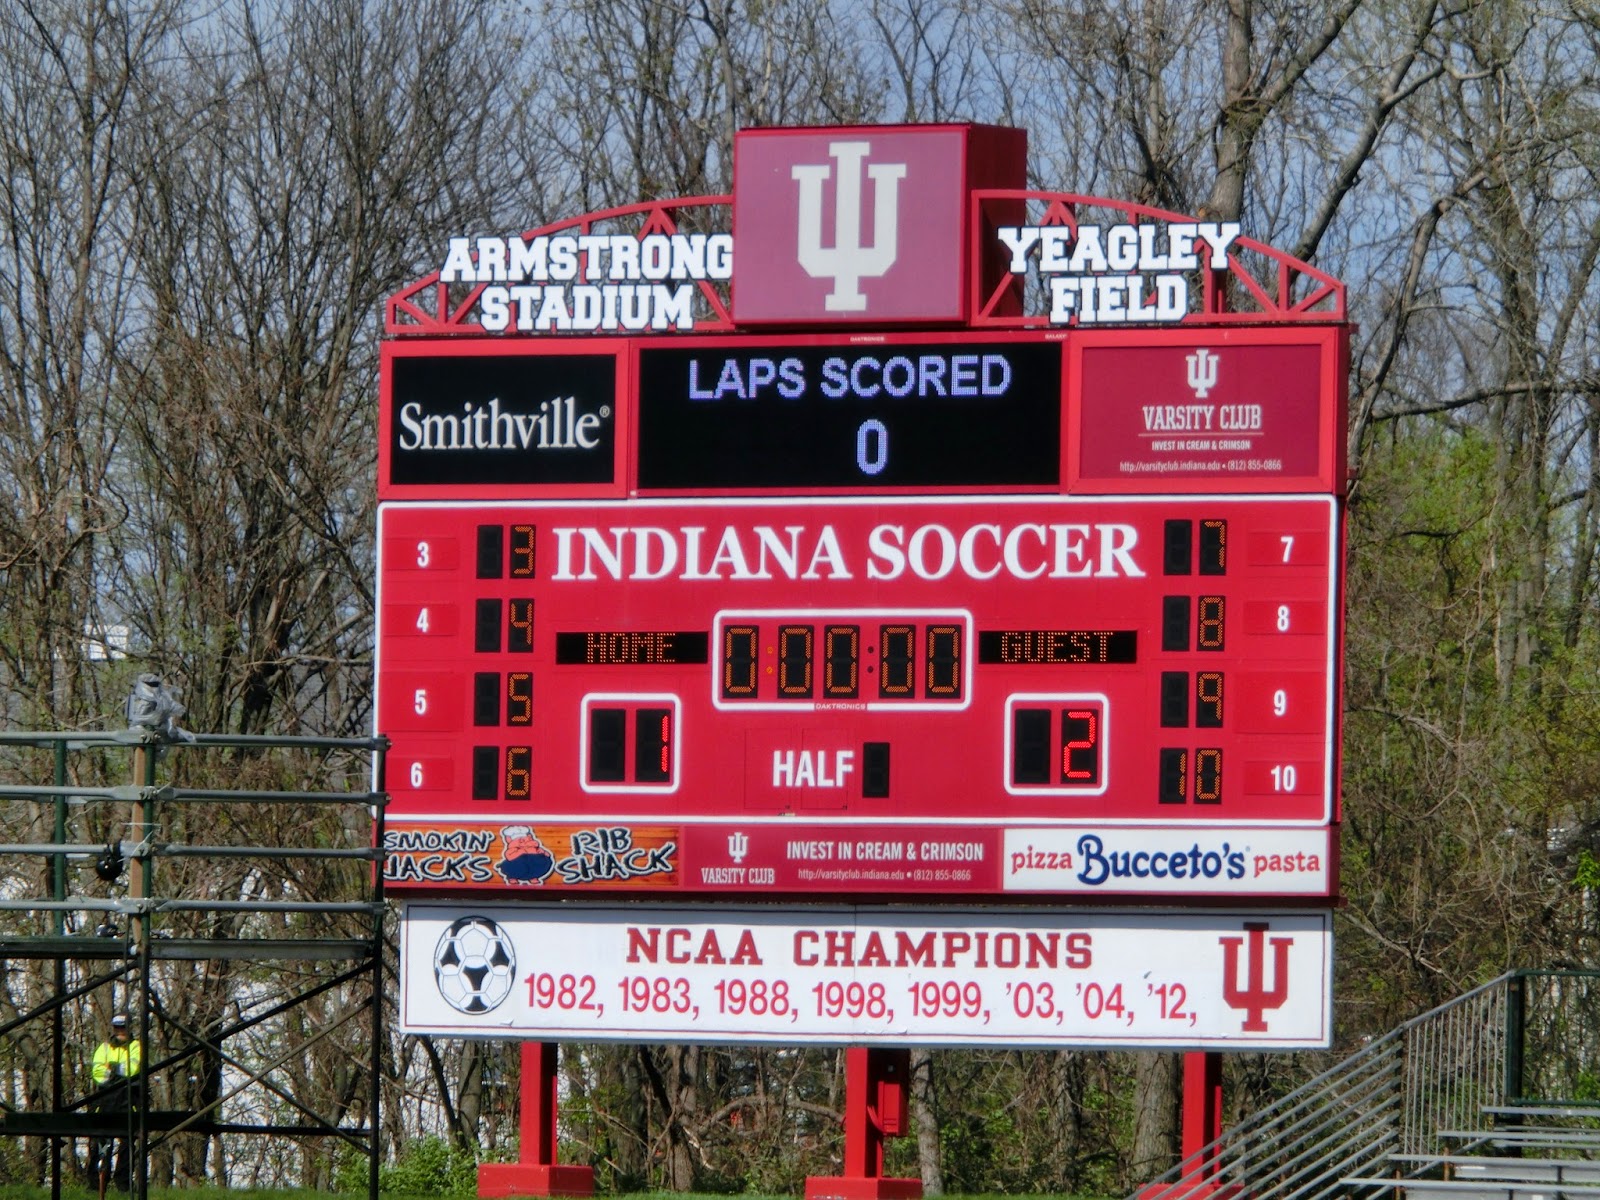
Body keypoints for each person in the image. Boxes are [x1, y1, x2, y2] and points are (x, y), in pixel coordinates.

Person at [91, 1014, 141, 1194]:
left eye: (123, 1027)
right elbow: (97, 1072)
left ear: (129, 1028)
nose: (120, 1031)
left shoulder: (136, 1046)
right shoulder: (103, 1048)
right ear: (113, 1028)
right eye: (117, 1027)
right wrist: (118, 1072)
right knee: (102, 1142)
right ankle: (95, 1184)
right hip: (106, 1098)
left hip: (128, 1098)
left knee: (127, 1142)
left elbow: (133, 1069)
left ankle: (124, 1185)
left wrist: (111, 1069)